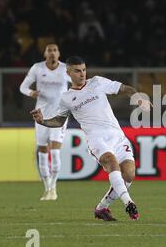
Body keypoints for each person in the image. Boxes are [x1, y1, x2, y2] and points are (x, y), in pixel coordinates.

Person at [30, 56, 151, 221]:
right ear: (69, 73)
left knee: (129, 175)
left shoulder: (97, 82)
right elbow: (59, 121)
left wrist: (139, 98)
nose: (82, 74)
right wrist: (42, 121)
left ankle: (101, 208)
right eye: (77, 71)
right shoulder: (66, 98)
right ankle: (128, 202)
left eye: (84, 70)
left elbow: (125, 88)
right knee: (111, 162)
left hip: (117, 136)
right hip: (96, 139)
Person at [20, 44, 71, 201]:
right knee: (42, 151)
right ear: (45, 54)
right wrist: (31, 92)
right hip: (40, 115)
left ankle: (54, 188)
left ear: (59, 53)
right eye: (49, 50)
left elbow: (79, 83)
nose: (52, 53)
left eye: (55, 50)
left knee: (55, 151)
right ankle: (47, 188)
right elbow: (23, 86)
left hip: (59, 114)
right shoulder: (37, 68)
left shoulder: (65, 69)